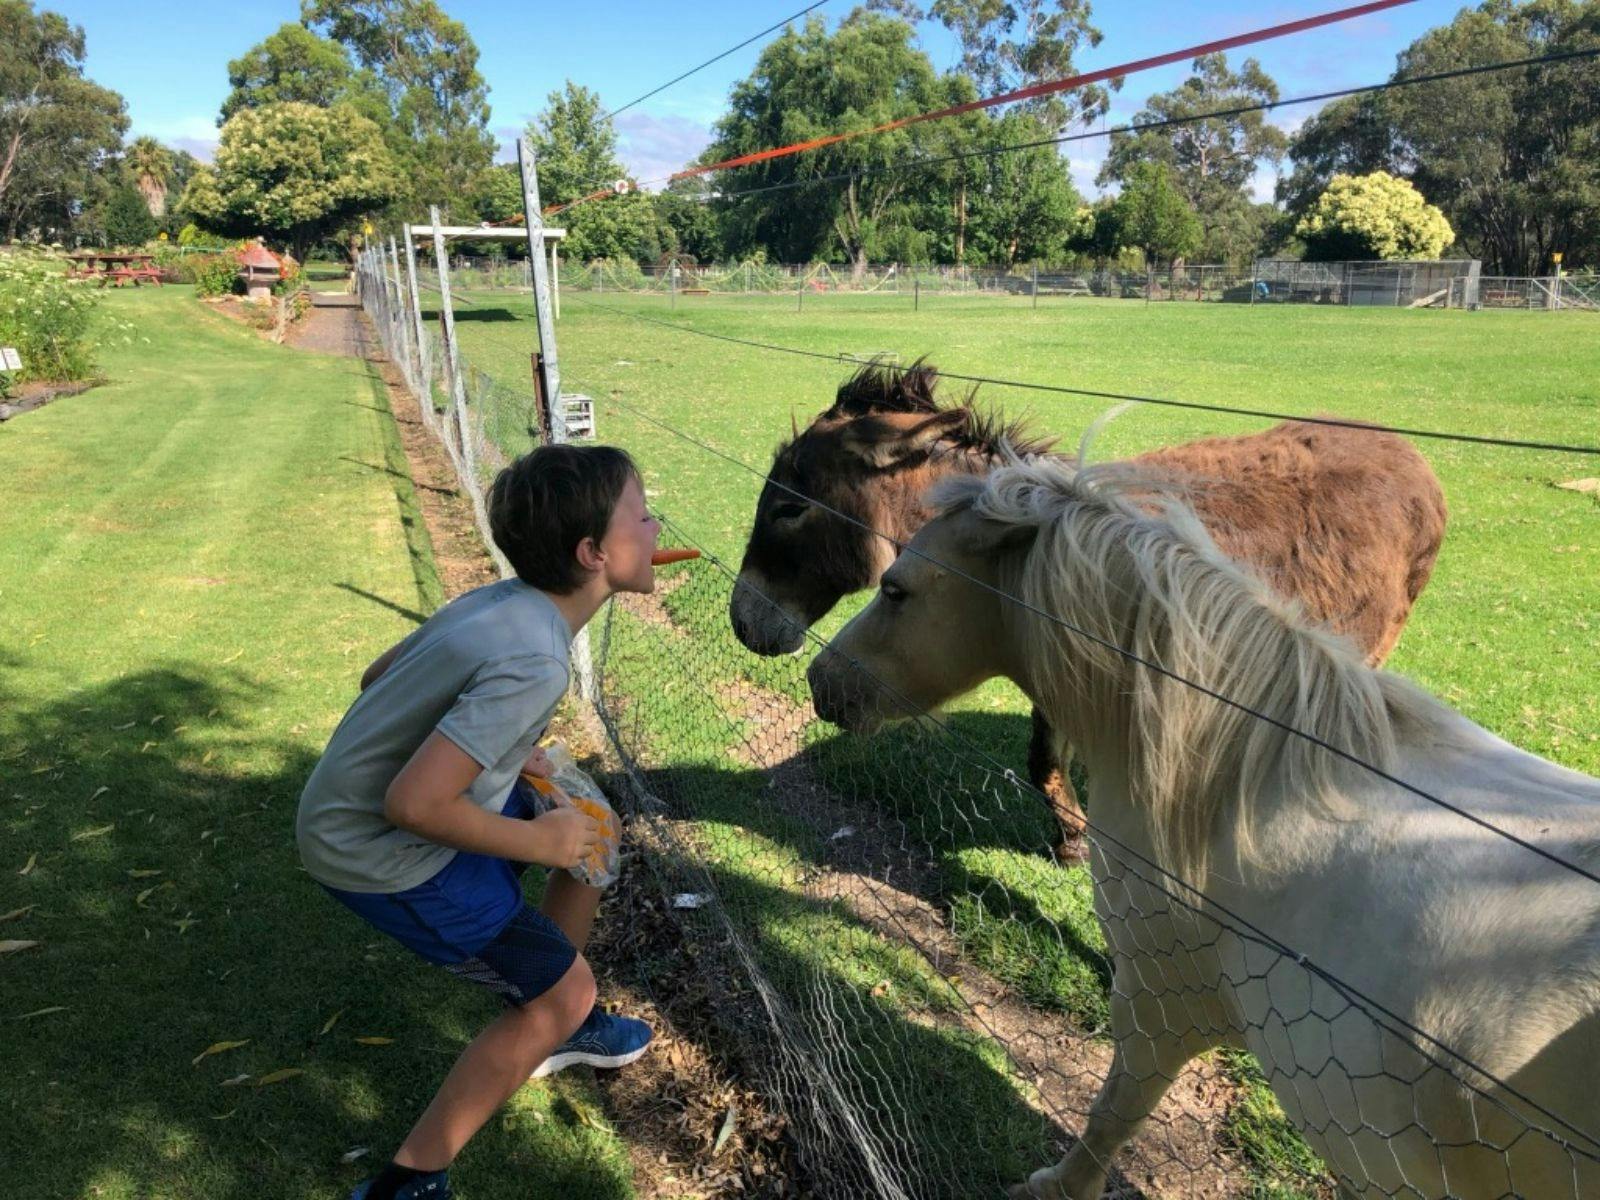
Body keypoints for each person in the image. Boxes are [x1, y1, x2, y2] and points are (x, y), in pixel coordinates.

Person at [295, 444, 660, 1200]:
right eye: (643, 514)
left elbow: (379, 679)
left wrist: (512, 759)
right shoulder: (537, 659)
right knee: (565, 923)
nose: (657, 528)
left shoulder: (501, 602)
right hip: (381, 854)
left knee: (592, 824)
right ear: (594, 553)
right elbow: (414, 805)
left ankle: (562, 1021)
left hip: (370, 817)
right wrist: (536, 838)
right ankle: (409, 1182)